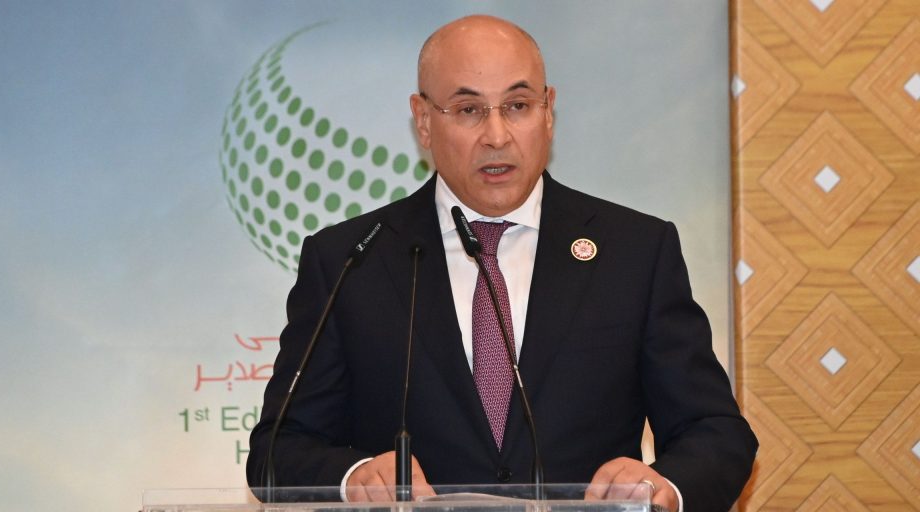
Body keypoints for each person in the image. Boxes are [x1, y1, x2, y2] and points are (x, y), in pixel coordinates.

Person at [248, 14, 757, 512]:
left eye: (517, 105)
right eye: (468, 109)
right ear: (423, 121)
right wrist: (355, 476)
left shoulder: (635, 251)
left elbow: (715, 431)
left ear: (548, 111)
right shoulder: (351, 260)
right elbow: (278, 448)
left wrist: (665, 486)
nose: (497, 135)